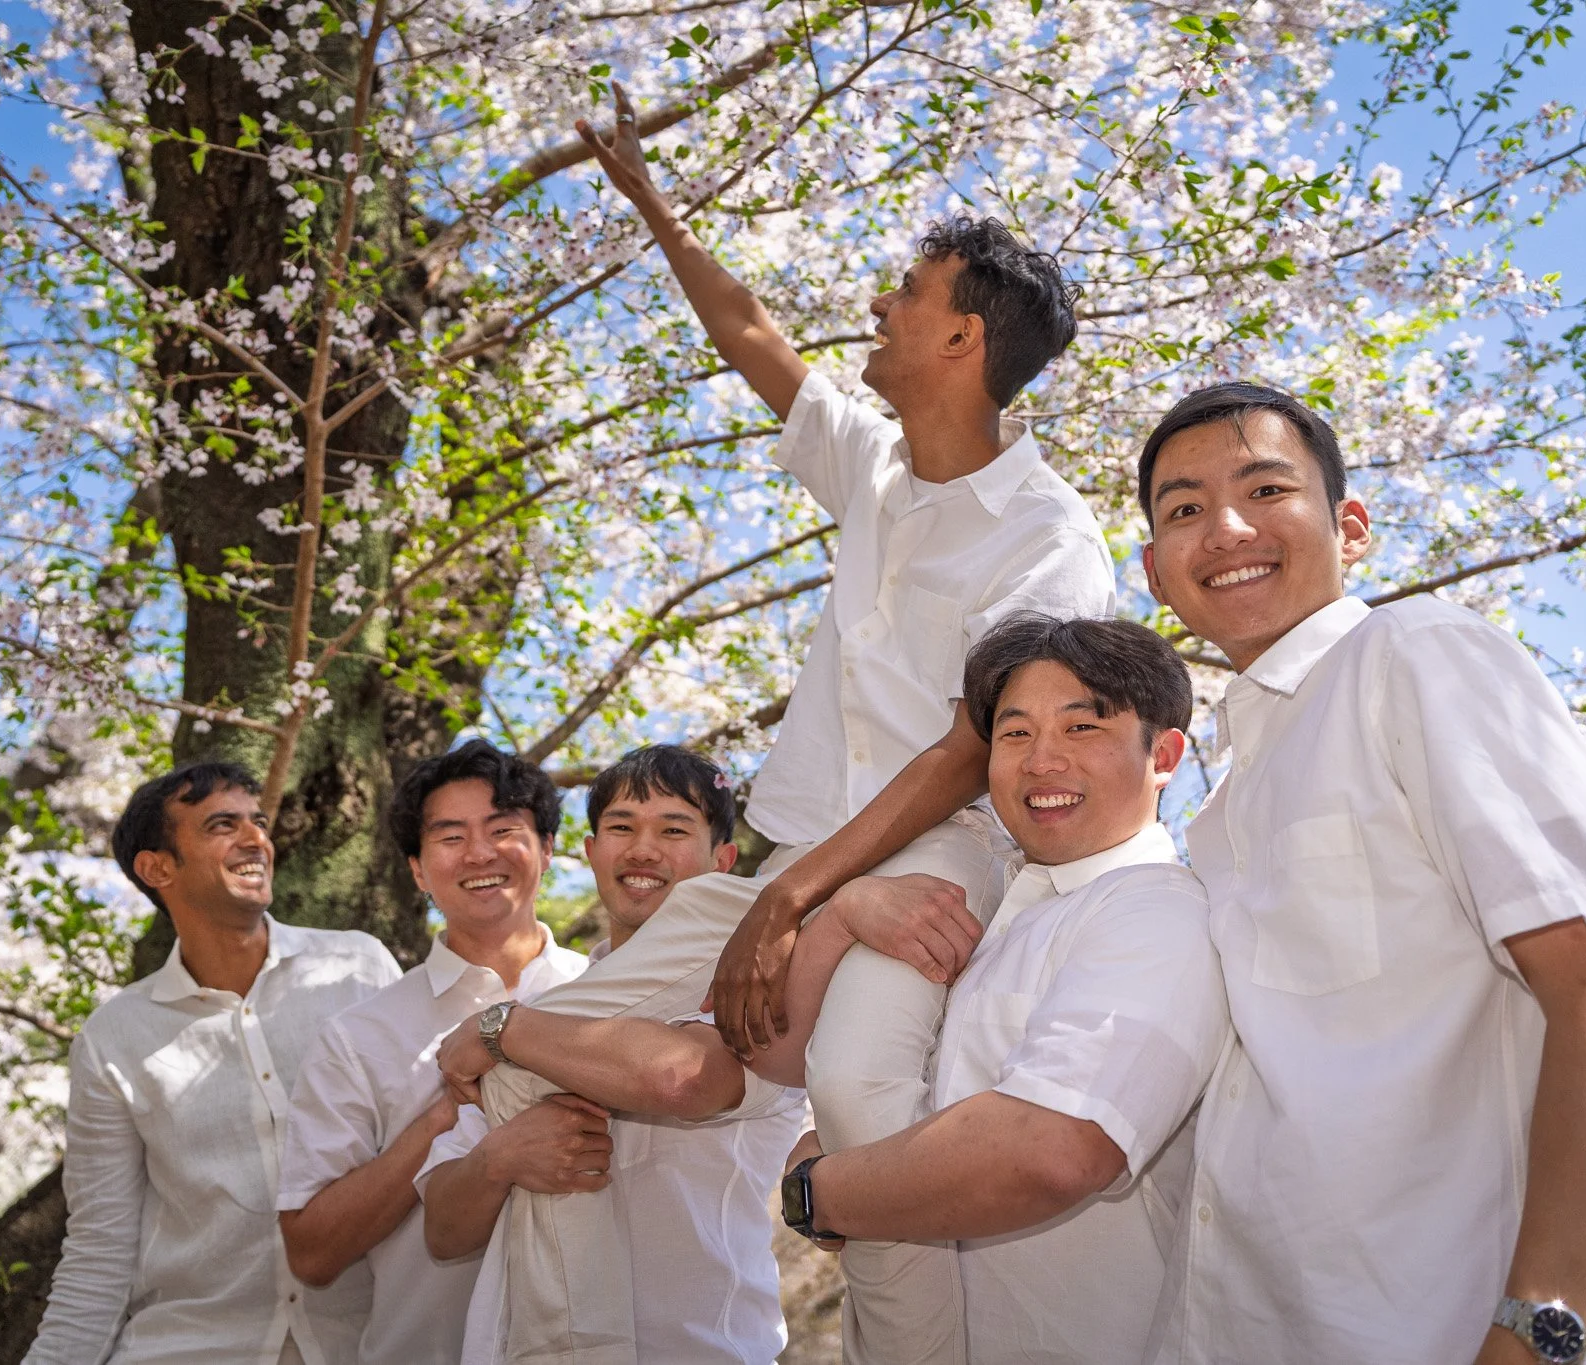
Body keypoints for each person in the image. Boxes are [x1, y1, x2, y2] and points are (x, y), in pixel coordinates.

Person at [557, 84, 1116, 1362]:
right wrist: (652, 206)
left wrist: (795, 898)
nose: (877, 304)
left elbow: (978, 745)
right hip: (788, 850)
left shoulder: (1046, 535)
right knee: (595, 1052)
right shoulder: (872, 465)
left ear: (964, 336)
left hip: (932, 848)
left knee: (863, 1092)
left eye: (906, 291)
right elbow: (748, 333)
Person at [1135, 382, 1586, 1364]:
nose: (1224, 529)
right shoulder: (1220, 811)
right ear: (1153, 568)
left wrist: (1532, 1334)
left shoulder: (1416, 656)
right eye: (1182, 509)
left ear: (1349, 529)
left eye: (1265, 491)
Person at [751, 614, 1228, 1364]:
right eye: (1015, 734)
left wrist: (822, 1192)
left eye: (1081, 729)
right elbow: (773, 1053)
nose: (1042, 761)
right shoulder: (1004, 910)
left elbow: (1054, 1146)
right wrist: (846, 908)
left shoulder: (1156, 910)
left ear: (1163, 754)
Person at [418, 745, 805, 1364]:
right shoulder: (547, 1007)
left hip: (708, 1350)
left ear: (723, 861)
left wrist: (502, 1030)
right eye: (621, 827)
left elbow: (683, 1077)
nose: (643, 850)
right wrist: (499, 1159)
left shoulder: (765, 991)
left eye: (674, 829)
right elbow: (442, 1229)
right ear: (592, 852)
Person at [25, 763, 401, 1365]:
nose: (257, 840)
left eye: (258, 822)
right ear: (157, 867)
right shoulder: (114, 1037)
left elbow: (425, 1150)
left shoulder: (359, 968)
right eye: (223, 825)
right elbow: (100, 1248)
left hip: (366, 1344)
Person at [273, 741, 590, 1365]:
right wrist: (440, 1117)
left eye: (503, 830)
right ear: (417, 869)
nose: (479, 853)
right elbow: (311, 1253)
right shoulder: (360, 1036)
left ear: (547, 849)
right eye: (450, 837)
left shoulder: (610, 997)